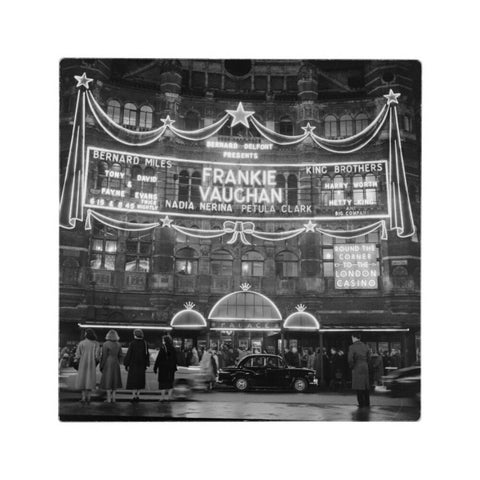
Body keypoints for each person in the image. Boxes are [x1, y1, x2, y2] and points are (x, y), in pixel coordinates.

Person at [75, 328, 100, 404]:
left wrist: (76, 360)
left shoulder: (81, 343)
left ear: (86, 334)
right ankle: (89, 398)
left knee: (83, 379)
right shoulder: (96, 343)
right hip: (91, 364)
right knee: (90, 379)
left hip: (83, 363)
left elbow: (77, 355)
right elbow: (97, 356)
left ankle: (83, 398)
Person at [123, 329, 150, 402]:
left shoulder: (132, 343)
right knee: (139, 381)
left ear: (135, 335)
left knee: (133, 381)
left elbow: (129, 354)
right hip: (142, 365)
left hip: (133, 365)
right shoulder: (145, 343)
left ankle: (133, 396)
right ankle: (138, 396)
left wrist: (126, 364)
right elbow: (147, 354)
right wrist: (147, 364)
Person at [348, 333, 371, 408]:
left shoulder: (352, 347)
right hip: (365, 366)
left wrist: (352, 366)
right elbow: (369, 358)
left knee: (358, 386)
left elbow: (350, 359)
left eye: (352, 338)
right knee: (365, 385)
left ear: (354, 338)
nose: (351, 339)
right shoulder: (366, 346)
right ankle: (367, 402)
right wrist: (366, 363)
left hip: (357, 366)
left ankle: (361, 403)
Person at [99, 329, 123, 403]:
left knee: (108, 380)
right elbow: (121, 355)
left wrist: (101, 366)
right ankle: (114, 398)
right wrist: (119, 362)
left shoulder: (105, 344)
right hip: (116, 363)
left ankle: (108, 399)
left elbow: (104, 356)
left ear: (108, 335)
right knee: (115, 380)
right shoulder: (119, 344)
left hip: (108, 362)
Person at [154, 335, 178, 401]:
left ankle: (162, 397)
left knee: (163, 383)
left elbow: (159, 358)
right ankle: (169, 397)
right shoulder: (173, 348)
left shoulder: (163, 348)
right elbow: (175, 359)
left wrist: (155, 367)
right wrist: (174, 367)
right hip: (171, 369)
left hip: (163, 368)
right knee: (170, 383)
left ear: (164, 340)